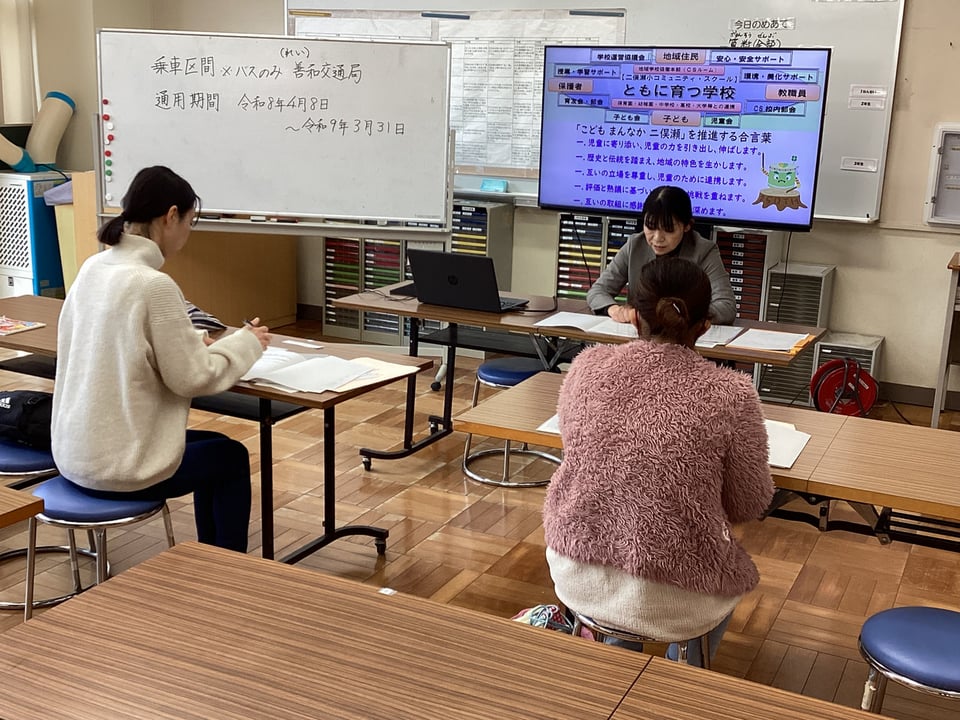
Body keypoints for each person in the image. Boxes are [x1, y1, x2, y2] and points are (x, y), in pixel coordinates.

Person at [543, 256, 773, 666]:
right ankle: (682, 677)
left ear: (634, 318)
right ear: (705, 326)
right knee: (718, 577)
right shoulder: (731, 393)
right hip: (679, 593)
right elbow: (748, 503)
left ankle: (617, 661)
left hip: (575, 566)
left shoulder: (585, 367)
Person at [51, 166, 270, 553]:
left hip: (74, 456)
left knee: (217, 446)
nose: (188, 232)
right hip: (121, 470)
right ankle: (227, 570)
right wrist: (247, 343)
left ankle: (214, 560)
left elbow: (122, 340)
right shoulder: (152, 284)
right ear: (170, 216)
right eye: (189, 221)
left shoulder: (93, 267)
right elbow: (193, 378)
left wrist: (188, 340)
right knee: (231, 457)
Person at [585, 185, 736, 325]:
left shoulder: (704, 251)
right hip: (640, 337)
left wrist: (678, 314)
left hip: (684, 337)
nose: (657, 238)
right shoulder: (635, 245)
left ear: (687, 226)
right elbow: (598, 291)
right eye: (650, 227)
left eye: (668, 230)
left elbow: (726, 307)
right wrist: (614, 310)